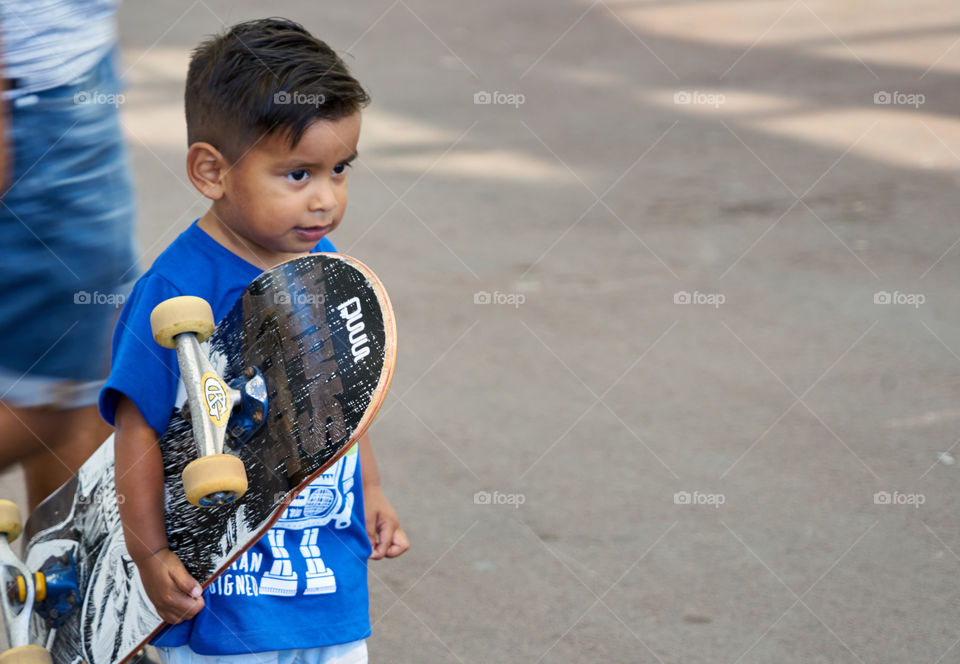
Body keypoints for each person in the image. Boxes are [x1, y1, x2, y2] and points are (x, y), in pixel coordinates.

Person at [98, 18, 409, 664]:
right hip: (225, 596)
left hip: (325, 580)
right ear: (212, 172)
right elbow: (136, 433)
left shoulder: (319, 266)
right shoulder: (174, 290)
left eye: (340, 169)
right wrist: (150, 553)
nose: (327, 199)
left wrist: (371, 489)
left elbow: (340, 391)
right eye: (298, 175)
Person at [0, 0, 137, 509]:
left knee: (67, 378)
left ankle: (58, 580)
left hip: (67, 76)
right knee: (71, 394)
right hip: (37, 99)